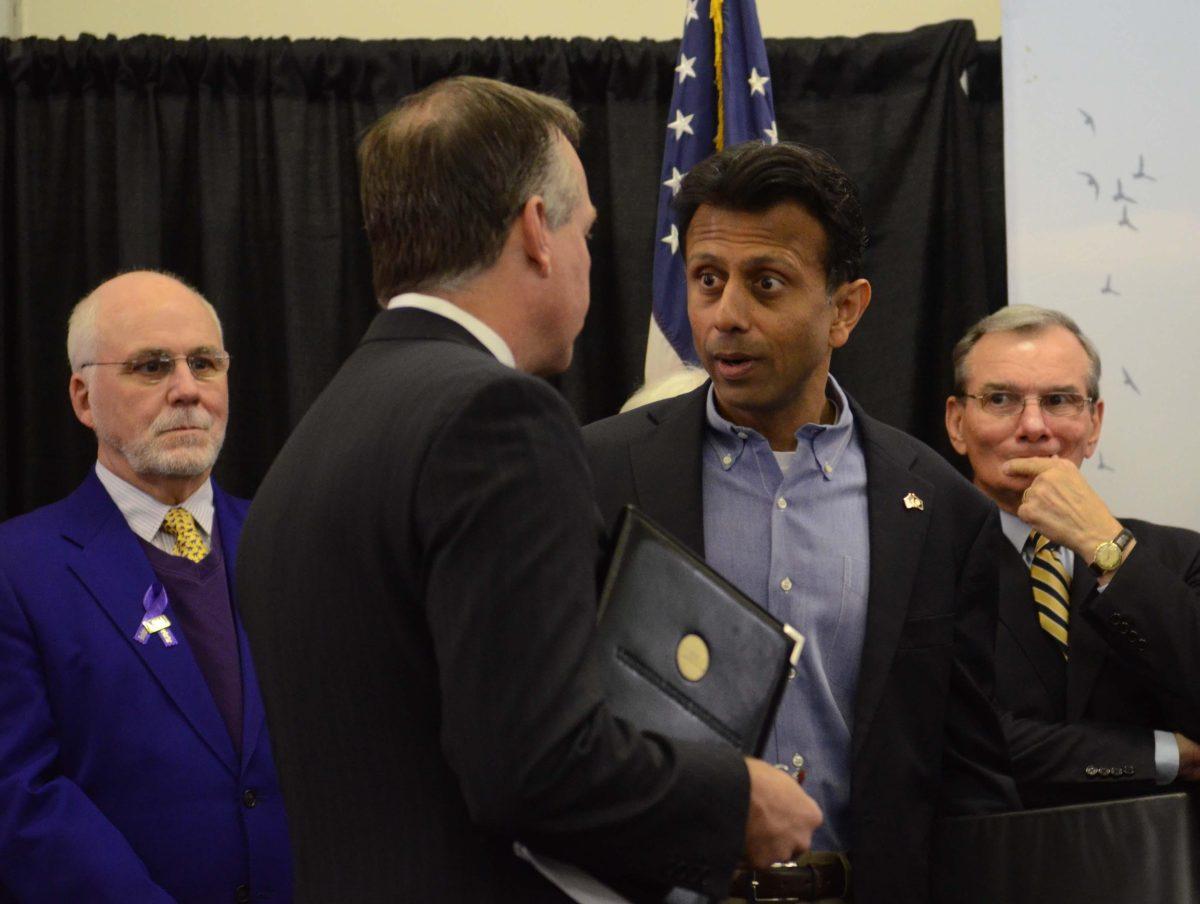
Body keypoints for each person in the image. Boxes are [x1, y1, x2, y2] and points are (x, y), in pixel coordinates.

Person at [235, 77, 821, 904]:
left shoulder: (320, 434)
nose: (588, 253)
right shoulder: (494, 416)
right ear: (538, 231)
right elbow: (533, 765)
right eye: (586, 228)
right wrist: (738, 796)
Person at [583, 141, 1016, 904]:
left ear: (844, 309)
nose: (727, 316)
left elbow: (970, 782)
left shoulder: (941, 512)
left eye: (767, 284)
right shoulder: (599, 474)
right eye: (707, 281)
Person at [0, 271, 292, 903]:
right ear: (83, 398)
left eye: (206, 364)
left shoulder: (292, 545)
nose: (187, 390)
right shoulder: (16, 571)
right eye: (152, 367)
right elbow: (20, 794)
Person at [944, 304, 1200, 807]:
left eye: (1059, 400)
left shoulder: (1180, 557)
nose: (1035, 426)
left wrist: (1107, 549)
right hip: (986, 870)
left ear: (1094, 422)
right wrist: (1170, 754)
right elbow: (957, 740)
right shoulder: (919, 562)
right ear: (957, 423)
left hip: (1163, 872)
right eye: (1001, 399)